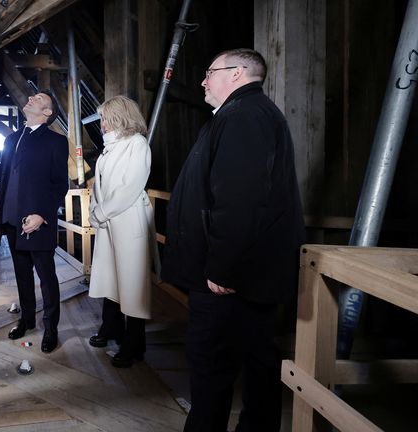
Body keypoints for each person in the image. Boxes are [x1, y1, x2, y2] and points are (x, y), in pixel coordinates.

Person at [161, 48, 305, 431]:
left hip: (226, 278)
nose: (204, 80)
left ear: (238, 73)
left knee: (210, 362)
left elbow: (239, 199)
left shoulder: (244, 116)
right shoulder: (243, 114)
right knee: (254, 357)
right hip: (238, 274)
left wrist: (222, 268)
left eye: (210, 72)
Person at [0, 92, 69, 353]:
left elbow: (59, 184)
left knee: (47, 278)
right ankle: (27, 320)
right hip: (10, 219)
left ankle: (51, 327)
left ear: (47, 112)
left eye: (39, 98)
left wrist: (43, 214)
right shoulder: (12, 138)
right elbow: (3, 173)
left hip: (36, 220)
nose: (31, 97)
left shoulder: (56, 141)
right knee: (22, 276)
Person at [87, 95, 157, 368]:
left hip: (127, 222)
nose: (102, 123)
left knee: (132, 284)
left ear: (119, 117)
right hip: (108, 223)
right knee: (111, 279)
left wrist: (101, 213)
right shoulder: (110, 147)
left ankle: (135, 344)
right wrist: (95, 210)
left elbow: (131, 186)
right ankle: (111, 328)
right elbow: (98, 185)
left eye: (105, 117)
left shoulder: (137, 144)